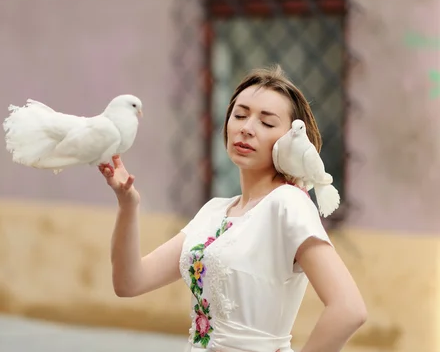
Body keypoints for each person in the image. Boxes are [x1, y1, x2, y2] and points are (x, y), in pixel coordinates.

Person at [98, 66, 367, 352]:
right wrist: (128, 204)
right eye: (239, 115)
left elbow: (349, 309)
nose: (246, 128)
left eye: (267, 122)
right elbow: (129, 282)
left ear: (290, 139)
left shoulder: (288, 203)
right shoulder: (214, 212)